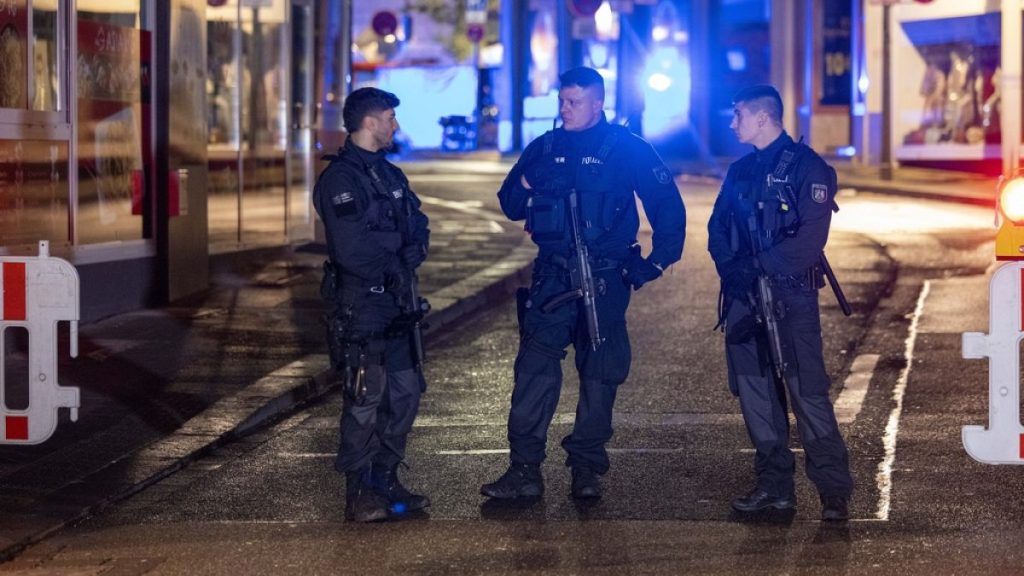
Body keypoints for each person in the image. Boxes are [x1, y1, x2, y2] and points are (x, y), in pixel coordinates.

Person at [482, 67, 686, 500]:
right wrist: (527, 178)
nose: (565, 109)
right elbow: (510, 204)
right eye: (562, 100)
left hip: (606, 277)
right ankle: (524, 470)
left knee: (600, 373)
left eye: (574, 102)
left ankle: (586, 467)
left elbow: (666, 205)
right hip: (553, 276)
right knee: (534, 370)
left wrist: (658, 261)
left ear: (598, 104)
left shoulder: (628, 149)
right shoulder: (545, 147)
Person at [707, 85, 853, 521]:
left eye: (738, 115)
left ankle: (833, 493)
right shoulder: (740, 171)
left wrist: (760, 264)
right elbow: (717, 227)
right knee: (757, 396)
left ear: (763, 118)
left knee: (807, 393)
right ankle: (775, 488)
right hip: (745, 298)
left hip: (791, 296)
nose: (733, 123)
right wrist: (733, 269)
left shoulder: (809, 169)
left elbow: (810, 239)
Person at [313, 87, 430, 522]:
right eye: (389, 117)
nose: (395, 125)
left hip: (400, 304)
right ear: (369, 122)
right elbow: (351, 249)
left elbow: (418, 223)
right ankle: (359, 490)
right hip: (363, 305)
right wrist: (396, 262)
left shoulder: (390, 175)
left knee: (406, 394)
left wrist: (413, 250)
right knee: (365, 399)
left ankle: (385, 478)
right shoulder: (341, 180)